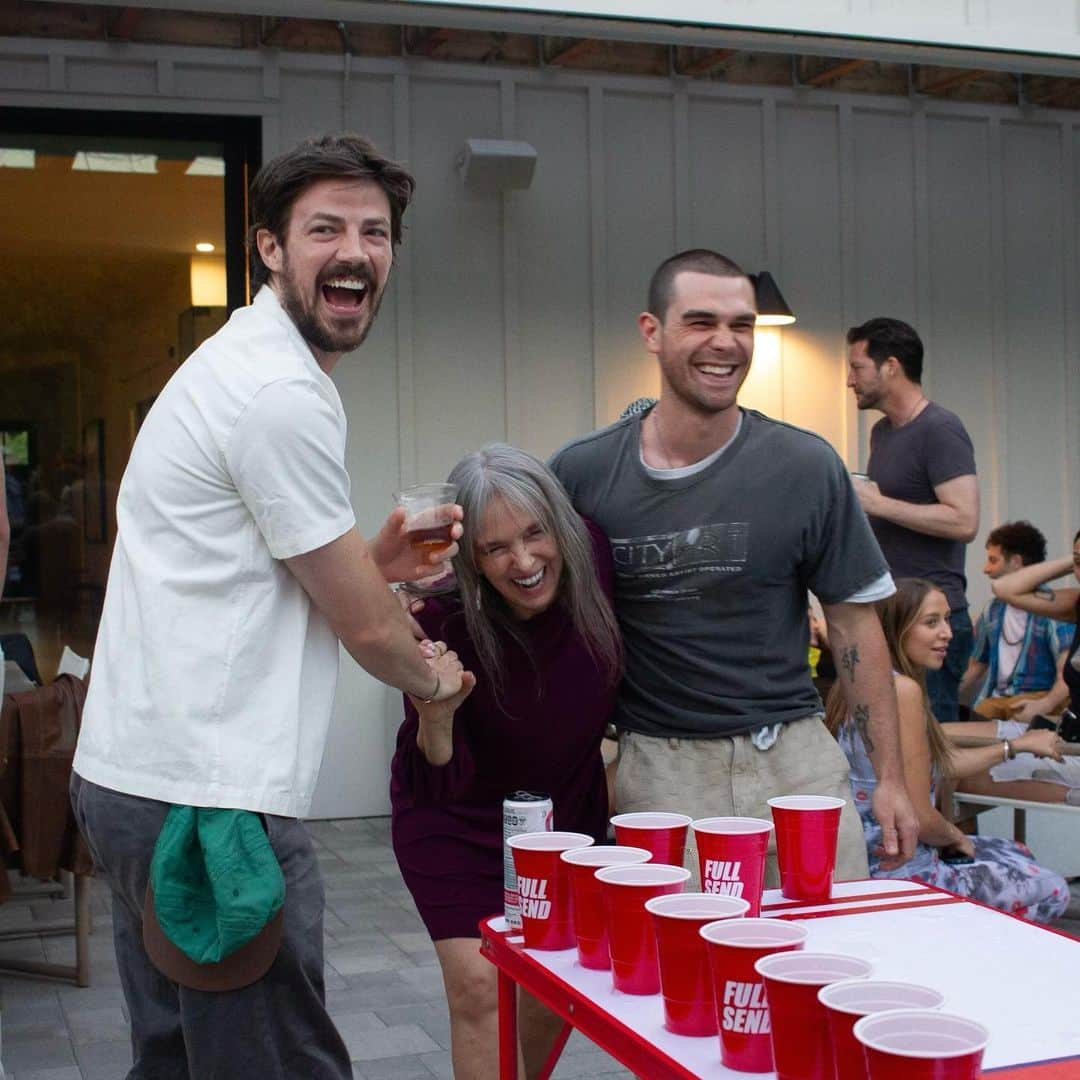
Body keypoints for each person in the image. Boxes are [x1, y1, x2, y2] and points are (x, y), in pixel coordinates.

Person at [69, 134, 467, 1080]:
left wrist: (371, 560)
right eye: (324, 228)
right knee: (278, 1063)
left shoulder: (241, 364)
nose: (355, 251)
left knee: (174, 1056)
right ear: (271, 249)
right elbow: (371, 629)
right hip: (208, 803)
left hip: (136, 777)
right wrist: (435, 683)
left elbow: (253, 575)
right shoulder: (277, 394)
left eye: (375, 232)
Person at [550, 249, 919, 887]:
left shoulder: (805, 466)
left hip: (797, 765)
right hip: (665, 771)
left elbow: (857, 629)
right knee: (682, 971)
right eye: (700, 322)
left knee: (828, 957)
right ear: (651, 331)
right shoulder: (583, 474)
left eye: (741, 325)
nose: (725, 343)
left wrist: (889, 780)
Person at [390, 443, 620, 1079]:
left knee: (552, 989)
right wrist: (437, 710)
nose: (523, 561)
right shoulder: (443, 617)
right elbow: (435, 765)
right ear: (470, 557)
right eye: (495, 548)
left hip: (562, 819)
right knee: (480, 987)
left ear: (560, 528)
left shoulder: (593, 559)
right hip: (454, 817)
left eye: (534, 534)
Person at [826, 578, 1069, 923]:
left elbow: (934, 764)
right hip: (900, 870)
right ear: (896, 628)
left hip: (862, 854)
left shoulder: (857, 685)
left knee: (1016, 851)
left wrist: (1015, 746)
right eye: (931, 622)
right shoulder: (903, 690)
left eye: (946, 619)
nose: (948, 633)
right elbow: (922, 819)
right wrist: (956, 837)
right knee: (1053, 888)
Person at [846, 317, 979, 723]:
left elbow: (964, 520)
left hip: (931, 622)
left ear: (890, 366)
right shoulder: (883, 432)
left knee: (931, 748)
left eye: (857, 368)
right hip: (892, 614)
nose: (850, 380)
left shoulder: (940, 429)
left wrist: (879, 504)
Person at [979, 527, 1080, 804]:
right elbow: (1004, 588)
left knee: (966, 772)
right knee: (941, 739)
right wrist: (1072, 558)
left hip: (1068, 746)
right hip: (1064, 734)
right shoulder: (1076, 603)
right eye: (1079, 564)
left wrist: (1045, 704)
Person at [960, 521, 1073, 722]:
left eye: (993, 560)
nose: (986, 569)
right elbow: (977, 664)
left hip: (1038, 699)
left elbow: (1066, 674)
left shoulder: (1054, 608)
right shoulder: (992, 610)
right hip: (995, 701)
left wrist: (1043, 705)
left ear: (1016, 562)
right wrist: (940, 691)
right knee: (953, 735)